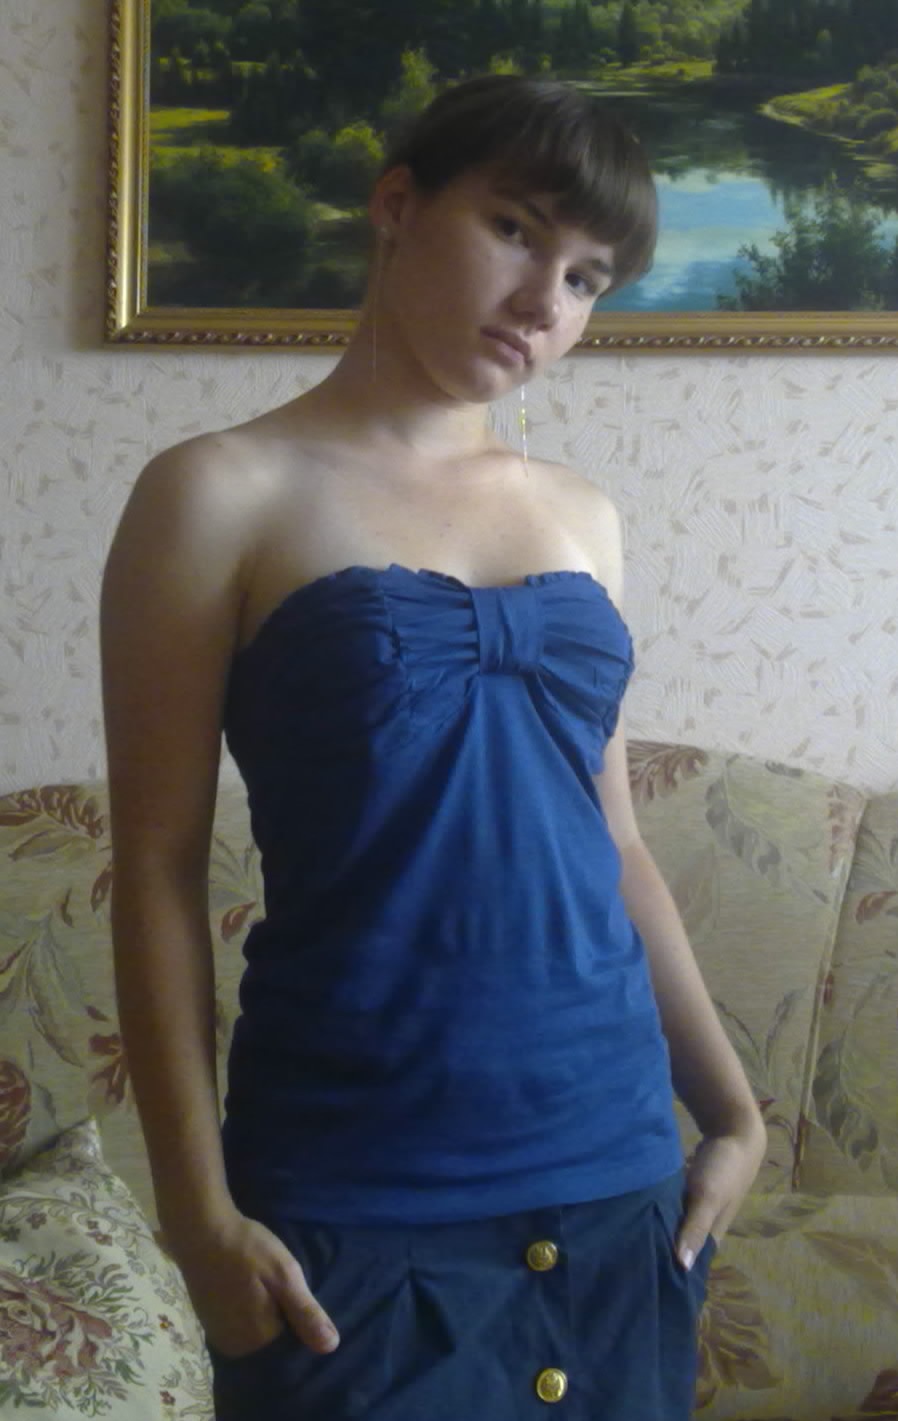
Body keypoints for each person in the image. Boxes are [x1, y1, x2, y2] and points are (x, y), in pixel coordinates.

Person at [100, 74, 766, 1421]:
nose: (543, 301)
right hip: (350, 1189)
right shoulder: (215, 491)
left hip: (615, 1171)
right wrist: (196, 1214)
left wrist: (735, 1114)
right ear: (398, 205)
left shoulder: (582, 517)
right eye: (515, 229)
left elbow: (615, 844)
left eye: (586, 278)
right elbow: (157, 868)